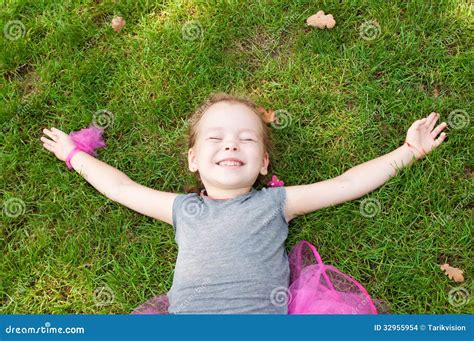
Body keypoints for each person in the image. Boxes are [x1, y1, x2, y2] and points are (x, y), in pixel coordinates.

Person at [40, 92, 448, 314]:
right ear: (193, 159)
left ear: (264, 162)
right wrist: (75, 156)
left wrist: (409, 151)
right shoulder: (183, 209)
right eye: (215, 138)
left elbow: (347, 183)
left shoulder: (276, 203)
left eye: (247, 138)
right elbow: (123, 189)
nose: (231, 143)